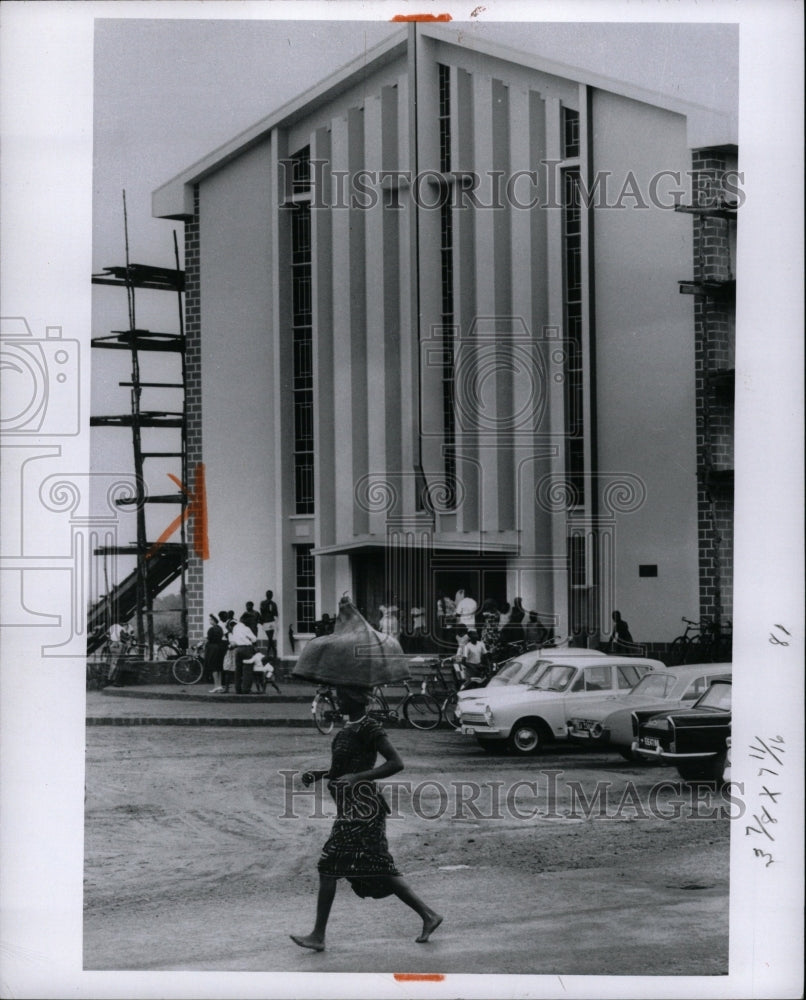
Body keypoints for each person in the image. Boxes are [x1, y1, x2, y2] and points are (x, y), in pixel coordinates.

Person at [290, 686, 443, 952]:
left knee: (329, 866)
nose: (335, 702)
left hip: (363, 810)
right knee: (375, 867)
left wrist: (358, 778)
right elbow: (344, 769)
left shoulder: (370, 728)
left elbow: (396, 763)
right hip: (351, 808)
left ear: (354, 701)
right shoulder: (349, 728)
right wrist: (321, 773)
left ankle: (318, 935)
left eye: (339, 697)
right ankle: (429, 915)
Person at [229, 615, 258, 694]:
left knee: (238, 670)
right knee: (247, 670)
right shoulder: (246, 628)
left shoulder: (235, 628)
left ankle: (238, 689)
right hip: (247, 649)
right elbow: (254, 639)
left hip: (238, 649)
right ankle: (246, 689)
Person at [205, 612, 228, 693]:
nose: (209, 621)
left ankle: (216, 685)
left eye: (210, 620)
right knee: (219, 667)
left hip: (212, 649)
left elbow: (208, 639)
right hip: (220, 648)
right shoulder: (220, 628)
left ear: (214, 621)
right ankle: (220, 685)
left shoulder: (211, 629)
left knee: (213, 667)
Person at [106, 619, 132, 687]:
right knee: (118, 663)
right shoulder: (121, 629)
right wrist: (129, 636)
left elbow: (107, 634)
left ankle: (109, 679)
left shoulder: (112, 627)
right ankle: (115, 681)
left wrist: (111, 639)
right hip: (118, 645)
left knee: (113, 662)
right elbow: (124, 638)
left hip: (111, 645)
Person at [259, 590, 279, 658]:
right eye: (268, 594)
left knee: (270, 637)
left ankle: (269, 652)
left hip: (271, 621)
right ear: (266, 595)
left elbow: (276, 613)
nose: (269, 596)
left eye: (270, 594)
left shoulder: (273, 604)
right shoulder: (263, 603)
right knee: (270, 637)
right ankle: (273, 650)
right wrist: (267, 603)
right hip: (265, 622)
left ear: (272, 596)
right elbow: (262, 611)